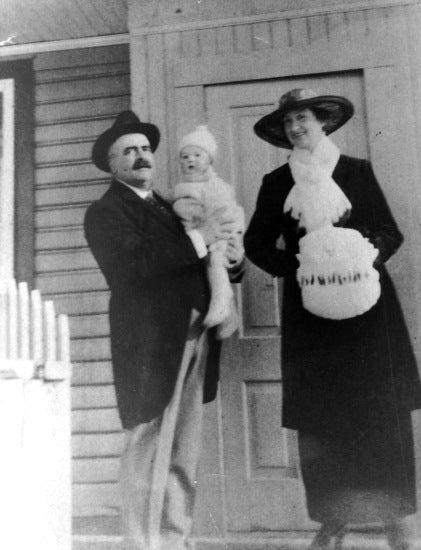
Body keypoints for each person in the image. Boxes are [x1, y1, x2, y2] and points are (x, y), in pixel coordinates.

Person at [244, 88, 421, 550]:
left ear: (322, 121)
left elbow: (389, 231)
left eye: (303, 118)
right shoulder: (276, 182)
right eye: (288, 123)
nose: (297, 128)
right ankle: (332, 519)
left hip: (369, 315)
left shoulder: (356, 172)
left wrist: (362, 257)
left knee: (380, 411)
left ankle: (396, 519)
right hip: (312, 317)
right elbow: (257, 244)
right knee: (323, 417)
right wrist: (299, 269)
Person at [84, 110, 244, 550]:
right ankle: (140, 543)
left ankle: (174, 538)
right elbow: (130, 267)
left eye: (146, 149)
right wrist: (198, 238)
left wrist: (230, 257)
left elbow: (203, 251)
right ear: (112, 164)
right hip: (150, 343)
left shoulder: (172, 207)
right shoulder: (105, 212)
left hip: (195, 334)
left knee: (183, 448)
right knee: (148, 443)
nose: (141, 157)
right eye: (129, 151)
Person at [173, 124, 245, 339]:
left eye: (197, 155)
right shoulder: (182, 188)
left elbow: (222, 211)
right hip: (194, 256)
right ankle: (227, 312)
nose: (190, 160)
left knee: (215, 263)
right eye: (185, 157)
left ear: (210, 160)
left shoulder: (215, 185)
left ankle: (223, 303)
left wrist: (225, 237)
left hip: (222, 235)